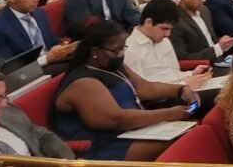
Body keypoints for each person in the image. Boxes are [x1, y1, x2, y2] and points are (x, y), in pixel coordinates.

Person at [53, 19, 197, 161]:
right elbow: (117, 120)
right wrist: (168, 114)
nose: (121, 54)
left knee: (191, 132)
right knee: (184, 141)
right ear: (96, 51)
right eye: (116, 50)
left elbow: (145, 88)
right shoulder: (83, 82)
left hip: (132, 132)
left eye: (123, 48)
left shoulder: (112, 65)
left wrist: (180, 89)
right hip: (101, 147)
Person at [0, 68, 74, 159]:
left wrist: (67, 161)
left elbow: (41, 136)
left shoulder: (8, 112)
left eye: (4, 96)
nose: (4, 104)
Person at [124, 0, 212, 95]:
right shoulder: (130, 50)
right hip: (161, 100)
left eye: (170, 29)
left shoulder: (164, 42)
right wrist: (183, 85)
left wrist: (191, 74)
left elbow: (173, 73)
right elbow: (141, 91)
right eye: (164, 29)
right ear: (148, 22)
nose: (168, 34)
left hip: (180, 89)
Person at [169, 0, 233, 63]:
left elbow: (210, 41)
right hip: (201, 68)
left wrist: (224, 45)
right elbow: (183, 58)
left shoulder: (204, 11)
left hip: (221, 60)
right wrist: (218, 48)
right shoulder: (175, 21)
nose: (204, 0)